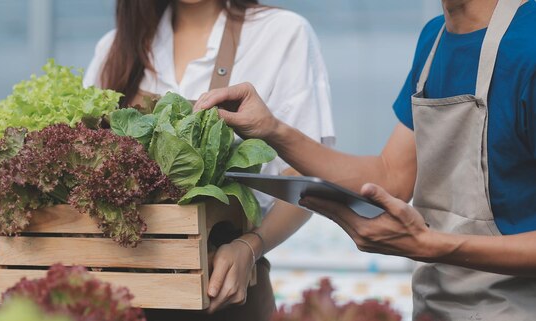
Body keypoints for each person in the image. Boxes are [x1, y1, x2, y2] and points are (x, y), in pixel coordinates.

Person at [194, 0, 536, 320]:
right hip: (437, 307)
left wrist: (432, 246)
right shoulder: (435, 39)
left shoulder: (529, 41)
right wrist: (273, 130)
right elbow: (391, 174)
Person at [83, 1, 335, 320]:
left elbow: (304, 178)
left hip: (225, 293)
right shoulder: (115, 48)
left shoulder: (282, 34)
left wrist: (251, 245)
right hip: (122, 296)